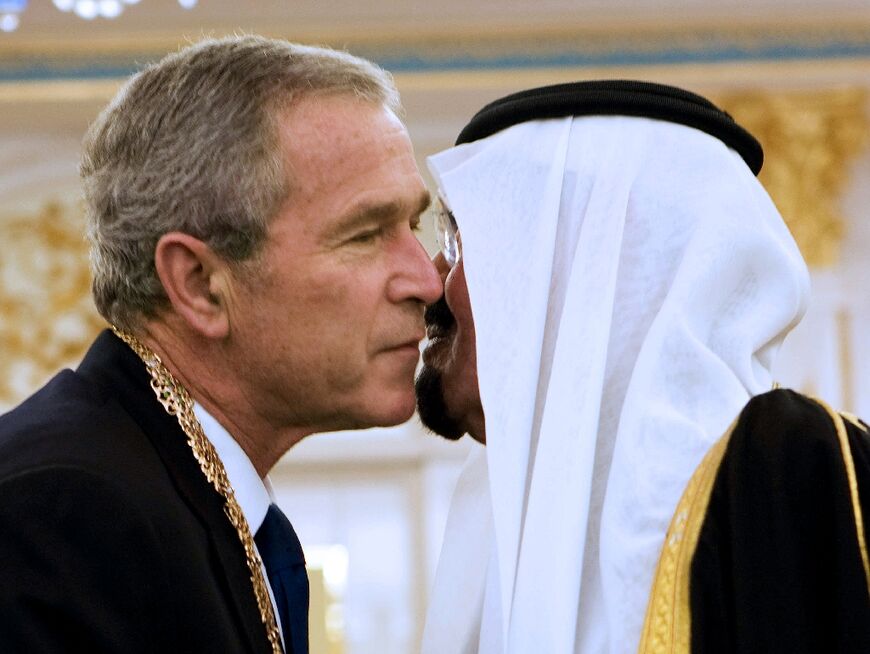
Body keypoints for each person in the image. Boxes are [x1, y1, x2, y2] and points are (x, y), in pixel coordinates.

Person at [0, 36, 441, 653]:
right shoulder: (61, 511)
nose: (426, 279)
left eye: (413, 225)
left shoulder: (155, 484)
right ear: (201, 285)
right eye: (365, 234)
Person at [415, 80, 870, 653]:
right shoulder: (494, 525)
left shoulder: (796, 472)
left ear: (575, 273)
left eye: (457, 243)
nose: (429, 281)